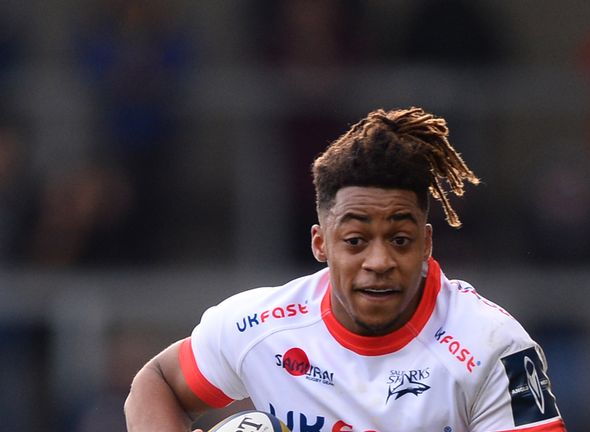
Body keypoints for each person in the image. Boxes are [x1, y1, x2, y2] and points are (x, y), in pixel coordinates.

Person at [124, 107, 567, 432]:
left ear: (427, 244)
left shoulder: (493, 348)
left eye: (400, 240)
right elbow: (156, 381)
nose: (379, 262)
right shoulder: (256, 326)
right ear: (321, 243)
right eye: (355, 241)